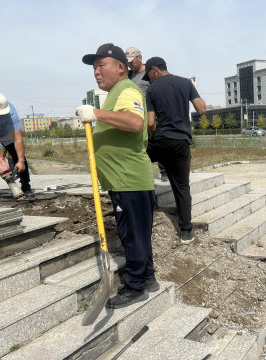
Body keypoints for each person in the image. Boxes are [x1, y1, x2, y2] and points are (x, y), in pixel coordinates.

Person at [76, 43, 158, 309]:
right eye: (94, 68)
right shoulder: (117, 93)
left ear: (120, 67)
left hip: (128, 179)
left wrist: (95, 113)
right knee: (138, 232)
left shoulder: (126, 89)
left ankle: (134, 286)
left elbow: (135, 123)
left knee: (132, 235)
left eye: (101, 66)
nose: (96, 72)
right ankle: (147, 277)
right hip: (127, 180)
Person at [143, 56, 206, 244]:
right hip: (181, 142)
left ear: (155, 69)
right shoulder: (185, 83)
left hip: (161, 141)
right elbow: (201, 109)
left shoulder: (152, 89)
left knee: (139, 162)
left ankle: (146, 211)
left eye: (149, 76)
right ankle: (186, 232)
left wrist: (154, 134)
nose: (149, 80)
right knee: (182, 186)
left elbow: (151, 122)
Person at [125, 46, 168, 182]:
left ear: (140, 58)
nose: (130, 64)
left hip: (151, 114)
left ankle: (165, 171)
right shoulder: (129, 75)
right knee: (141, 146)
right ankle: (142, 172)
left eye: (132, 61)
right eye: (128, 62)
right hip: (136, 116)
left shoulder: (148, 74)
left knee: (157, 142)